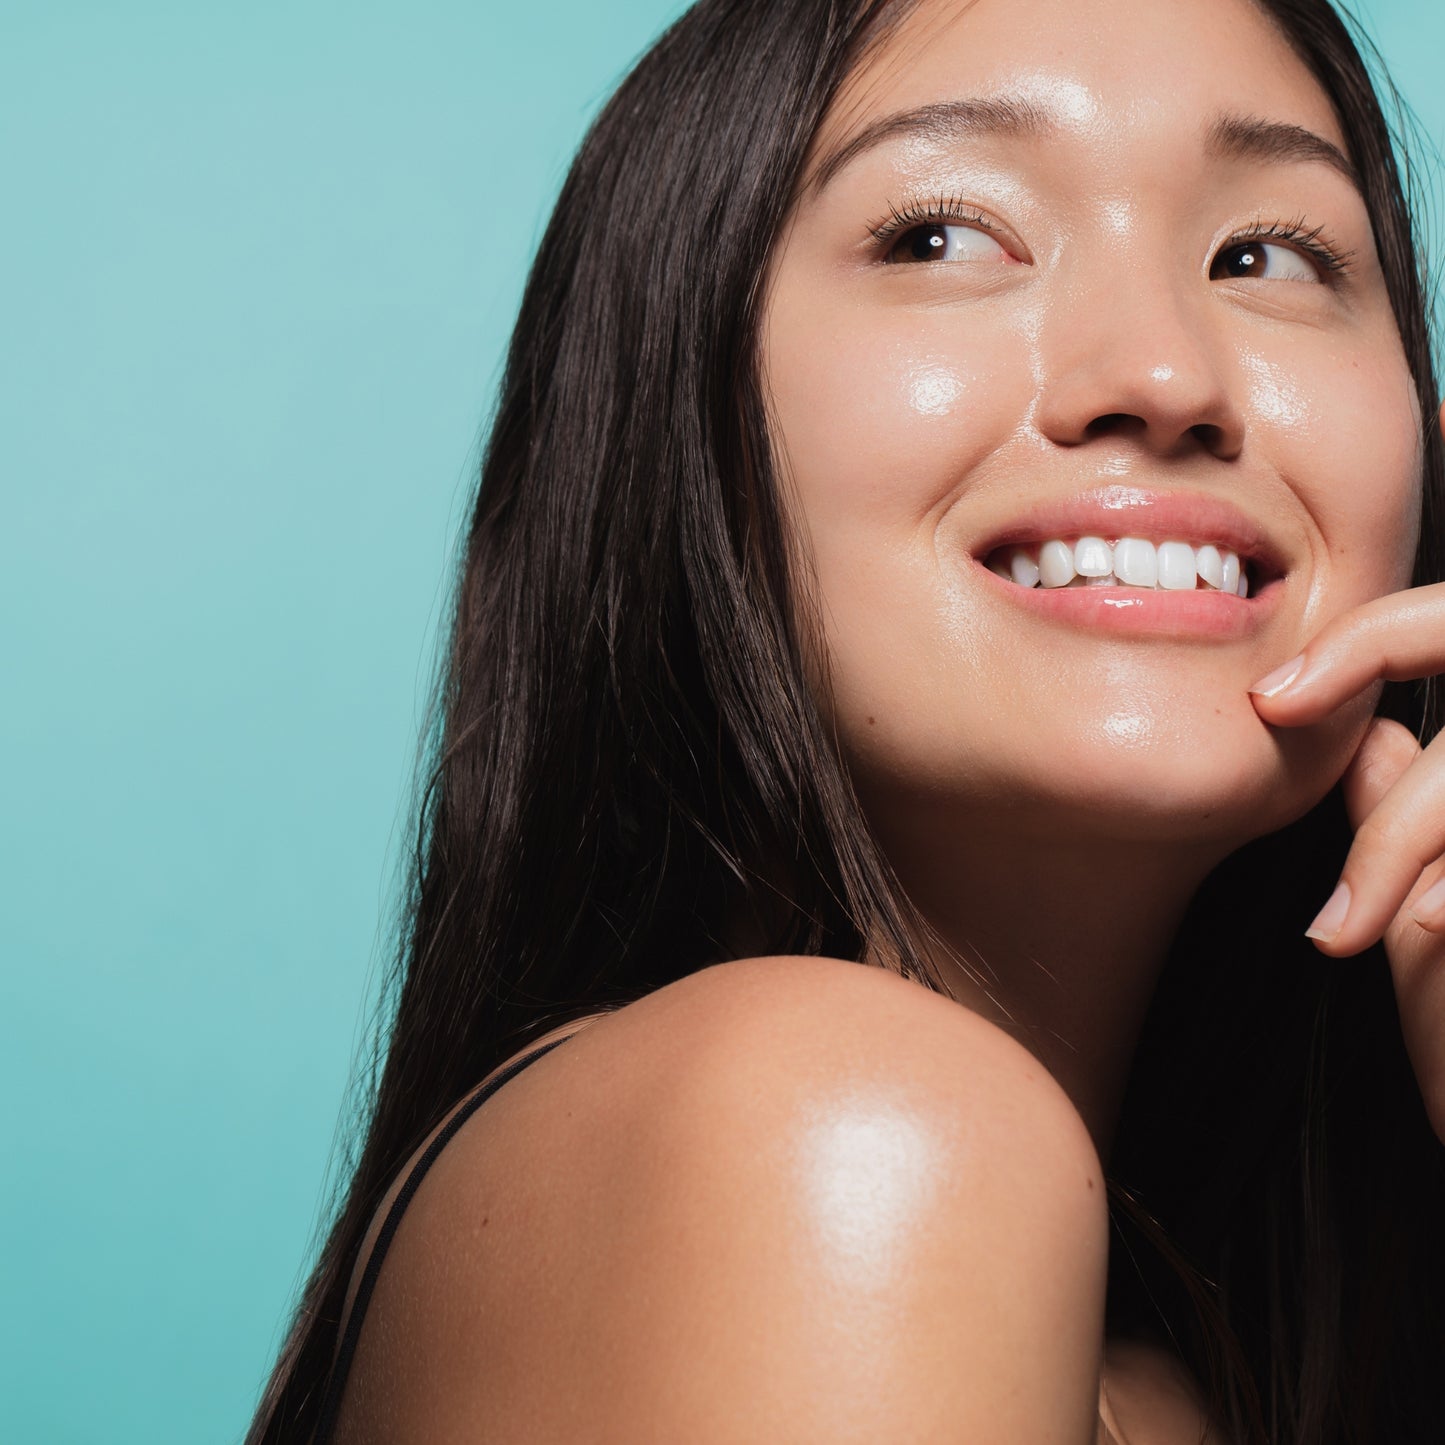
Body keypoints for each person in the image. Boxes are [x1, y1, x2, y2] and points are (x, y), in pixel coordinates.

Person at [247, 0, 1445, 1439]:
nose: (1165, 375)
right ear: (674, 409)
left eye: (1264, 254)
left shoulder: (1202, 1324)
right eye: (942, 235)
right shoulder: (837, 1138)